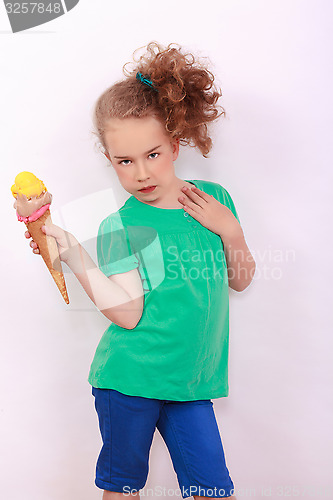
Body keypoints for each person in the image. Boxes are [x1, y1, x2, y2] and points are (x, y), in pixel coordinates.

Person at [25, 41, 256, 500]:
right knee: (124, 490)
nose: (141, 173)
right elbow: (128, 314)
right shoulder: (121, 226)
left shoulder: (216, 201)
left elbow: (240, 279)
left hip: (190, 384)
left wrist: (231, 232)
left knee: (213, 489)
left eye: (152, 154)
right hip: (129, 382)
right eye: (124, 162)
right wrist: (73, 253)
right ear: (109, 161)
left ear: (174, 142)